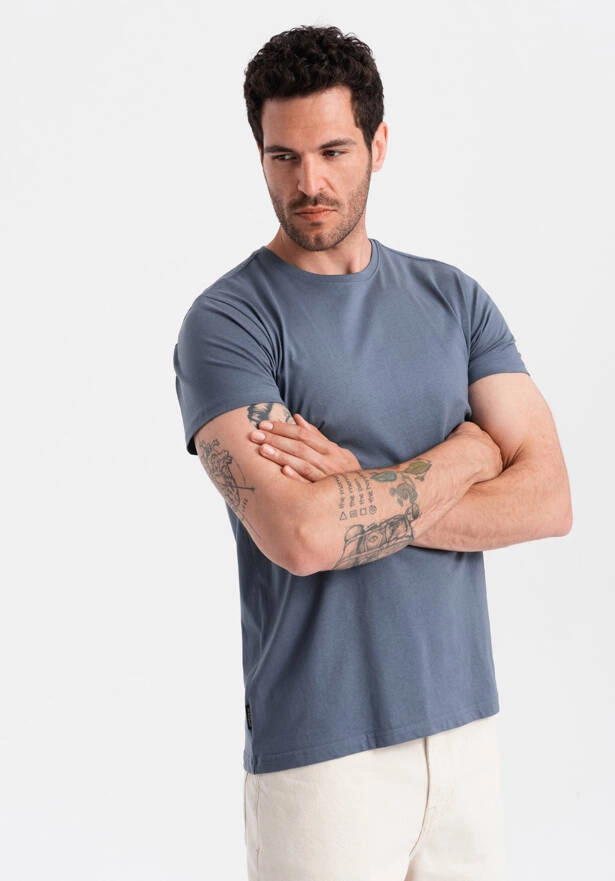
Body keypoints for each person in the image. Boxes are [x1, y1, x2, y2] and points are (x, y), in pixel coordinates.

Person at [173, 24, 572, 881]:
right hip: (322, 754)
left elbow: (548, 499)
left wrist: (355, 488)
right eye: (282, 157)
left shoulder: (452, 299)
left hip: (465, 732)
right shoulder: (228, 323)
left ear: (378, 144)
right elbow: (303, 535)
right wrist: (468, 453)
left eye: (332, 151)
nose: (308, 183)